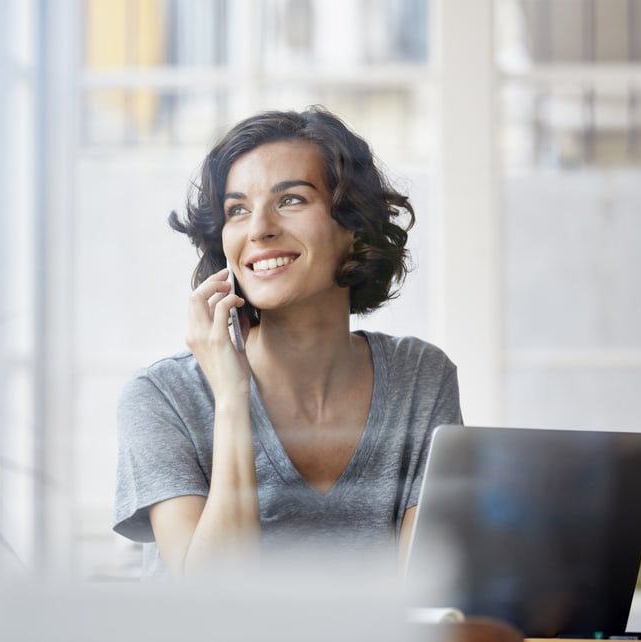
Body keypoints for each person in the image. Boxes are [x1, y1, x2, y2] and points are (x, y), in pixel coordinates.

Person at [113, 106, 463, 577]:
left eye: (292, 200)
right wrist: (233, 399)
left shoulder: (420, 378)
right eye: (237, 210)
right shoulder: (162, 398)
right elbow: (207, 606)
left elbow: (424, 600)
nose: (258, 229)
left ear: (353, 227)